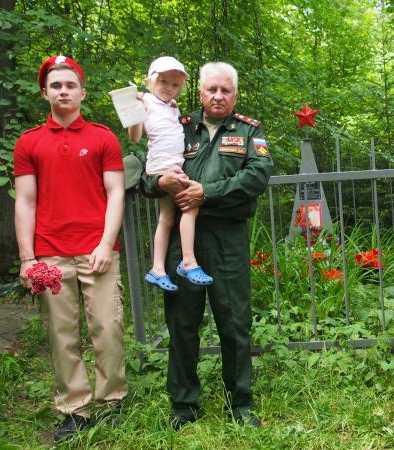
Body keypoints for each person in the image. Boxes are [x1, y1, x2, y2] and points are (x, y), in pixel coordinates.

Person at [141, 61, 273, 429]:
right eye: (211, 89)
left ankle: (241, 404)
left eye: (225, 90)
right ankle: (183, 406)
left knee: (234, 322)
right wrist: (161, 183)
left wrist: (206, 194)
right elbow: (148, 178)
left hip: (227, 238)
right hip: (181, 243)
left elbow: (257, 176)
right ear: (199, 92)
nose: (218, 96)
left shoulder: (249, 131)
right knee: (182, 322)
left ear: (235, 94)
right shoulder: (177, 127)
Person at [14, 55, 127, 442]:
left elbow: (115, 194)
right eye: (56, 85)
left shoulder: (103, 137)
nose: (64, 91)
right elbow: (25, 202)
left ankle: (112, 401)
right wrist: (28, 259)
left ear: (82, 91)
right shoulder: (29, 142)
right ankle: (74, 409)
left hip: (97, 250)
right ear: (45, 92)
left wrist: (105, 244)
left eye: (70, 85)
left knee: (108, 327)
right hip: (50, 254)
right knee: (62, 333)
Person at [128, 56, 212, 291]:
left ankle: (157, 269)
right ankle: (188, 261)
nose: (169, 88)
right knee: (191, 206)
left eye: (175, 85)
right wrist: (135, 110)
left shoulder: (172, 107)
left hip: (173, 165)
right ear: (151, 80)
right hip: (162, 167)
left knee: (167, 218)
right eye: (163, 81)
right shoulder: (144, 101)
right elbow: (134, 137)